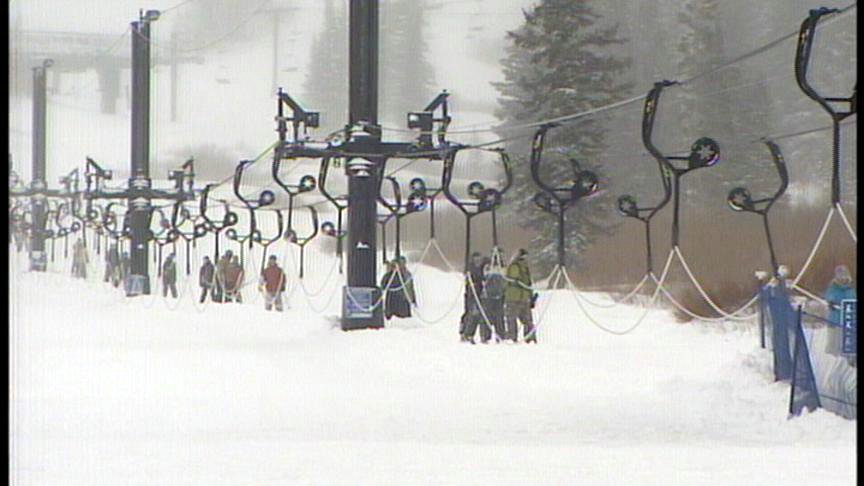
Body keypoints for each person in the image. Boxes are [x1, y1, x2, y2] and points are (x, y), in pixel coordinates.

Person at [504, 248, 537, 343]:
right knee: (515, 319)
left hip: (520, 297)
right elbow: (516, 280)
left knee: (523, 319)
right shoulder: (516, 267)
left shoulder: (521, 268)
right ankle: (515, 337)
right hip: (517, 297)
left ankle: (527, 337)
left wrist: (531, 297)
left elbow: (527, 284)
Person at [824, 265, 856, 360]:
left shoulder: (851, 289)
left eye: (844, 276)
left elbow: (852, 301)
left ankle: (847, 358)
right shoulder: (833, 288)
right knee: (834, 341)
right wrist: (831, 303)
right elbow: (829, 298)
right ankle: (832, 358)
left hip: (848, 321)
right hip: (835, 320)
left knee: (846, 341)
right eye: (840, 276)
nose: (843, 278)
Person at [461, 252, 491, 343]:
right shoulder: (470, 268)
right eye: (476, 259)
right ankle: (467, 334)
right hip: (472, 294)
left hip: (481, 294)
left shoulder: (483, 267)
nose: (477, 261)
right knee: (473, 315)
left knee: (483, 315)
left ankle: (484, 336)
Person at [482, 255, 507, 342]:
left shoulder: (503, 267)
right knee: (488, 317)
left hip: (499, 296)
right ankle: (486, 336)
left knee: (499, 317)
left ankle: (500, 335)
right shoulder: (488, 266)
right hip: (489, 296)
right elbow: (484, 278)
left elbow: (505, 280)